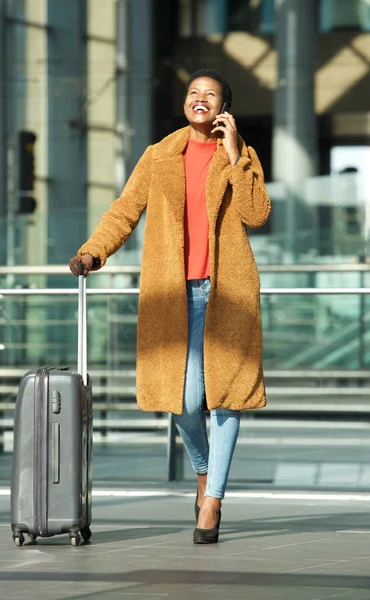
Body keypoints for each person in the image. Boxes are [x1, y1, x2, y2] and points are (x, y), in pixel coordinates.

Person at [69, 69, 271, 544]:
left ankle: (214, 500)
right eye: (193, 93)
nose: (200, 100)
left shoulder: (240, 156)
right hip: (172, 295)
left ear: (224, 107)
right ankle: (204, 471)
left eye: (211, 95)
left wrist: (236, 154)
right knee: (182, 400)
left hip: (228, 294)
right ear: (185, 102)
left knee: (227, 395)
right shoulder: (158, 156)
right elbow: (124, 210)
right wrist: (93, 251)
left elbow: (257, 213)